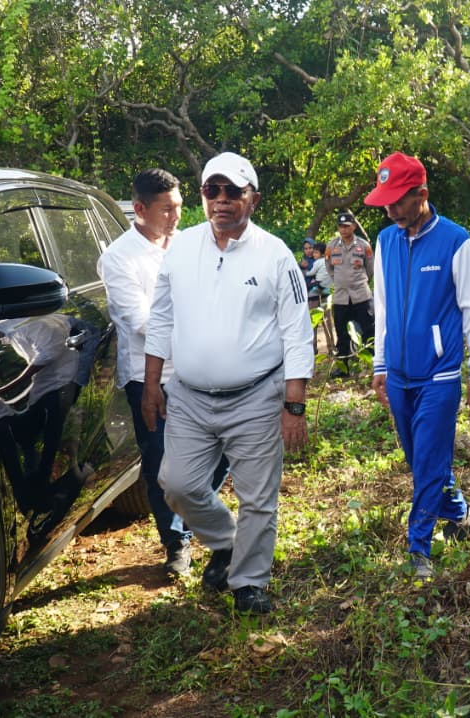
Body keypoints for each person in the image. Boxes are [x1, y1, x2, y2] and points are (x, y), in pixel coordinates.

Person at [142, 152, 313, 614]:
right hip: (190, 398)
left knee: (258, 497)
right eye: (211, 190)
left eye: (233, 191)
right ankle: (227, 541)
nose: (221, 200)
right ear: (202, 196)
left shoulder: (275, 254)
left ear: (252, 198)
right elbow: (161, 318)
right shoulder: (181, 249)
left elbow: (297, 333)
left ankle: (249, 582)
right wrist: (151, 383)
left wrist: (293, 405)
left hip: (256, 396)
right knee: (176, 484)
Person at [363, 151, 470, 579]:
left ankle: (419, 548)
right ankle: (460, 513)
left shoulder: (456, 241)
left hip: (439, 375)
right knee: (421, 460)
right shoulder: (385, 241)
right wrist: (380, 364)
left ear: (422, 193)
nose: (391, 210)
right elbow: (382, 308)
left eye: (398, 200)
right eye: (386, 202)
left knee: (429, 464)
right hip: (399, 375)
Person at [97, 169, 227, 578]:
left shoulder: (191, 245)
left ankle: (192, 512)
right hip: (150, 378)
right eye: (166, 209)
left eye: (180, 207)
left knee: (222, 448)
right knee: (162, 464)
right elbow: (141, 321)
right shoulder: (119, 257)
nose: (176, 216)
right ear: (140, 209)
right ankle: (176, 542)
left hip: (201, 368)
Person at [325, 210, 375, 377]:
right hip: (341, 298)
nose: (344, 229)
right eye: (341, 226)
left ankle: (372, 365)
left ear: (353, 226)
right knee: (342, 333)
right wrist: (340, 281)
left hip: (361, 296)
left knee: (369, 331)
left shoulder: (364, 246)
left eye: (347, 226)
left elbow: (370, 269)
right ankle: (343, 368)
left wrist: (358, 282)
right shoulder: (331, 246)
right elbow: (329, 268)